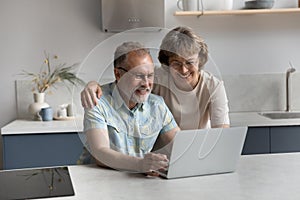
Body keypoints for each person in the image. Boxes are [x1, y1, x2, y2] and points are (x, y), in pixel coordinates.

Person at [81, 26, 230, 130]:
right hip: (159, 156)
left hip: (197, 151)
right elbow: (123, 83)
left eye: (190, 63)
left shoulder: (213, 86)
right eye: (176, 63)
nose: (184, 70)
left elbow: (221, 131)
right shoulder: (157, 77)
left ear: (200, 61)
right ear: (167, 63)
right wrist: (93, 85)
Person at [82, 41, 180, 174]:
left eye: (150, 75)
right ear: (118, 74)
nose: (146, 84)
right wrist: (140, 164)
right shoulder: (98, 102)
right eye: (138, 76)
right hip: (101, 181)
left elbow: (179, 143)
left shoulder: (157, 105)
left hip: (139, 182)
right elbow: (100, 153)